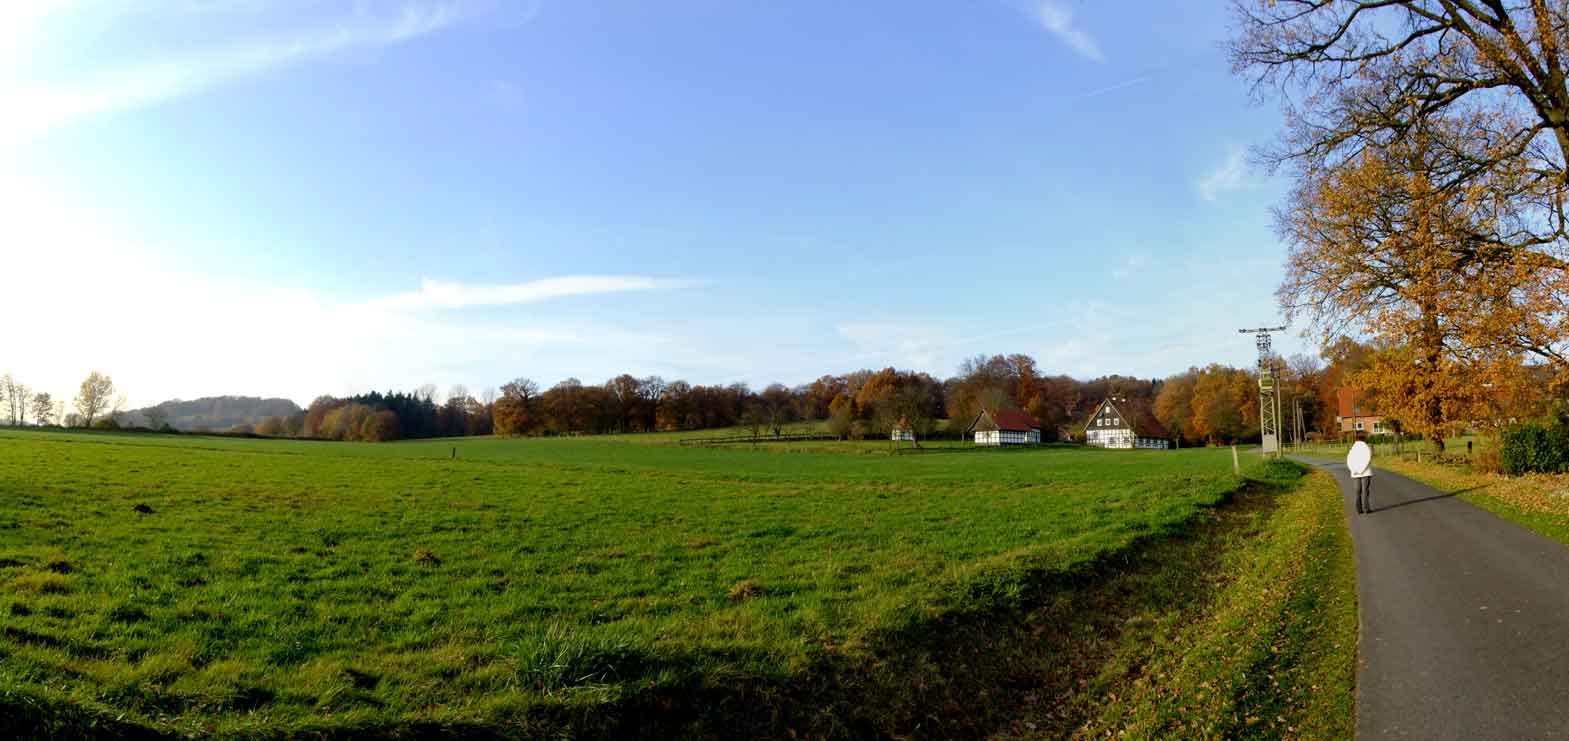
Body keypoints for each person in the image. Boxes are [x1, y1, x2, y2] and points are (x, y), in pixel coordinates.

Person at [1347, 440, 1373, 514]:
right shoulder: (1367, 448)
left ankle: (1358, 510)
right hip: (1366, 472)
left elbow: (1349, 461)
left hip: (1355, 473)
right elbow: (1368, 459)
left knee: (1357, 491)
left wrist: (1354, 470)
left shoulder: (1352, 450)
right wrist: (1361, 470)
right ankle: (1366, 509)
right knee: (1365, 491)